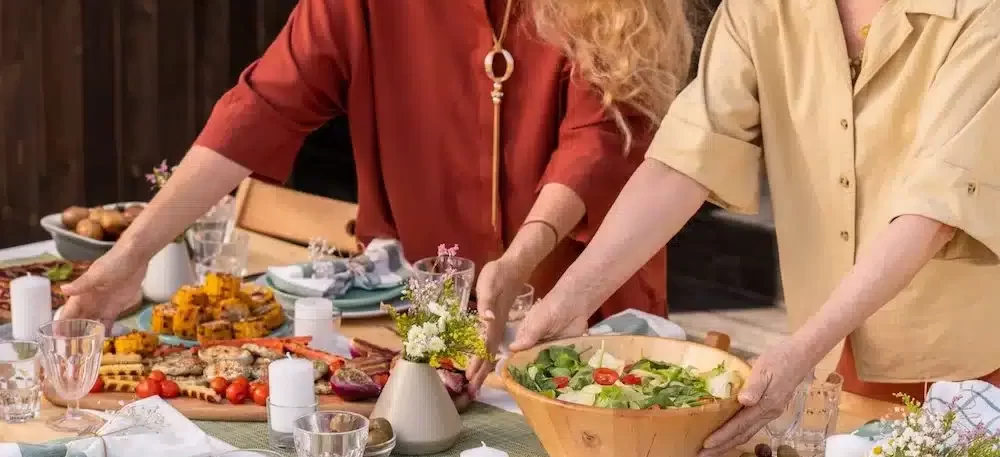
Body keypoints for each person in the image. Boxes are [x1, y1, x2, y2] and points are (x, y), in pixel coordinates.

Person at [58, 0, 692, 390]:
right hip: (429, 314)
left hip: (580, 304)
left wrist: (521, 261)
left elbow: (599, 140)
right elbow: (262, 106)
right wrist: (134, 252)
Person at [508, 0, 1000, 454]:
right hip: (826, 353)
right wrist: (573, 295)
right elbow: (688, 158)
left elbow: (932, 212)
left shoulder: (982, 12)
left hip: (961, 365)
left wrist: (805, 346)